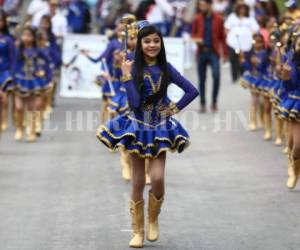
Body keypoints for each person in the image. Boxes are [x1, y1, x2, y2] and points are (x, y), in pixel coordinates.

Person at [97, 21, 199, 248]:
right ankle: (138, 231)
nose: (152, 45)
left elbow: (192, 90)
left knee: (159, 178)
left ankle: (153, 218)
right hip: (136, 127)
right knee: (138, 181)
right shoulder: (133, 68)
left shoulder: (167, 68)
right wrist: (125, 77)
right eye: (147, 41)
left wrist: (173, 109)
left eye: (155, 41)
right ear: (140, 44)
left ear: (161, 43)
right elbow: (133, 103)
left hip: (160, 128)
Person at [12, 27, 51, 142]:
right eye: (24, 35)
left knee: (32, 108)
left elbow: (47, 62)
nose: (26, 38)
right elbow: (14, 63)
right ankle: (19, 128)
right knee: (18, 107)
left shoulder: (37, 51)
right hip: (20, 79)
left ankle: (31, 130)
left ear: (33, 38)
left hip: (34, 81)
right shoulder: (18, 50)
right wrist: (12, 77)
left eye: (29, 35)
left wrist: (46, 74)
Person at [192, 0, 227, 113]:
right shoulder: (197, 19)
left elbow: (223, 37)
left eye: (203, 5)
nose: (201, 7)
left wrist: (225, 54)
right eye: (200, 5)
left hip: (213, 52)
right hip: (201, 51)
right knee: (202, 79)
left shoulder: (219, 19)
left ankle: (214, 102)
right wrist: (198, 39)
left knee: (216, 76)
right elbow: (193, 34)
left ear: (209, 5)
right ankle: (202, 103)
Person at [276, 34, 300, 189]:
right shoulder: (291, 62)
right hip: (296, 103)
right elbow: (287, 88)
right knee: (295, 144)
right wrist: (285, 77)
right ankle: (294, 171)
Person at [224, 2, 259, 83]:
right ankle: (234, 76)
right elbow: (226, 27)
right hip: (233, 42)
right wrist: (228, 35)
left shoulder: (250, 18)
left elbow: (256, 28)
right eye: (240, 8)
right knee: (233, 59)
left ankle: (243, 75)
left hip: (246, 43)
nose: (242, 10)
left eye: (244, 8)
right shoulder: (232, 17)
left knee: (244, 59)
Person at [0, 9, 15, 132]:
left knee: (4, 99)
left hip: (4, 72)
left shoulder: (8, 40)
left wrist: (13, 74)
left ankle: (3, 119)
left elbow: (13, 58)